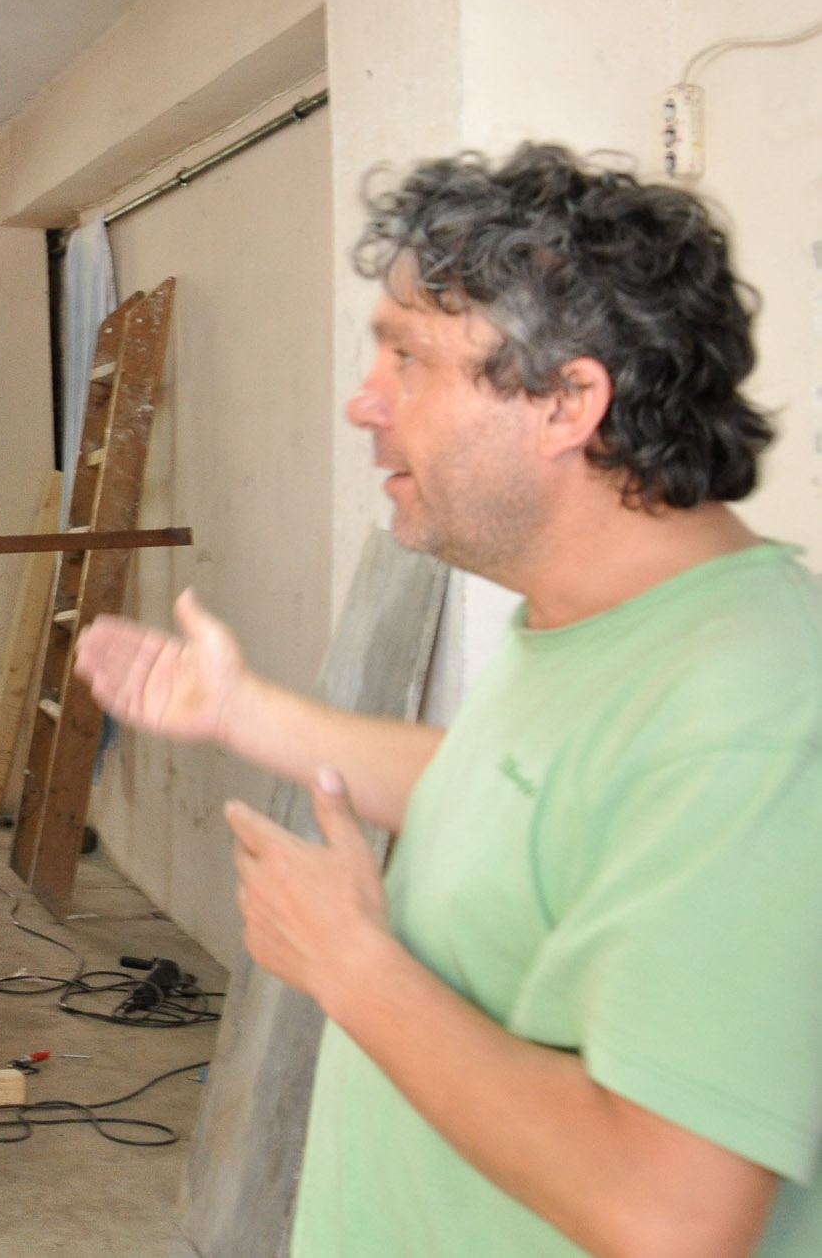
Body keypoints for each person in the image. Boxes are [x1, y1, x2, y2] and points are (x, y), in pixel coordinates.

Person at [75, 145, 822, 1258]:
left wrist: (351, 966)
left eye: (408, 358)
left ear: (566, 401)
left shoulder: (747, 715)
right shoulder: (598, 628)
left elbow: (669, 1216)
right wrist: (243, 711)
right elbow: (518, 799)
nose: (362, 401)